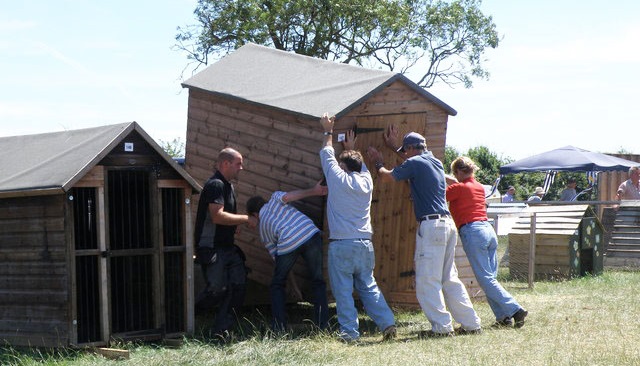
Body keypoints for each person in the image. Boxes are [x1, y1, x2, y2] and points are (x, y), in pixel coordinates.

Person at [366, 125, 481, 337]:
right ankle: (471, 324)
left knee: (428, 280)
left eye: (405, 150)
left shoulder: (415, 162)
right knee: (449, 278)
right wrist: (394, 147)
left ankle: (441, 328)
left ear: (410, 148)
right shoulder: (433, 161)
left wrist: (377, 161)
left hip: (431, 227)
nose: (405, 154)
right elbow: (411, 161)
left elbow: (387, 176)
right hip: (447, 224)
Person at [319, 113, 397, 342]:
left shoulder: (337, 178)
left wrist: (328, 130)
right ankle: (387, 323)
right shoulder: (366, 181)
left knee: (343, 291)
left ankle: (350, 334)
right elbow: (359, 165)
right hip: (364, 244)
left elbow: (326, 152)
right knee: (368, 286)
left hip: (342, 244)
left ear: (342, 166)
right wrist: (352, 148)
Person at [445, 156, 528, 328]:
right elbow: (459, 184)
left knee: (485, 280)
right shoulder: (478, 187)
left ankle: (515, 309)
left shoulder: (458, 188)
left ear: (459, 172)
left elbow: (441, 194)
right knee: (490, 278)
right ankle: (503, 317)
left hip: (473, 232)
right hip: (488, 230)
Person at [246, 182, 329, 332]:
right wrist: (314, 191)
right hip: (310, 231)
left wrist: (294, 286)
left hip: (287, 241)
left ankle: (279, 327)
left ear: (254, 215)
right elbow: (292, 196)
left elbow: (281, 262)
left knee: (277, 284)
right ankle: (322, 325)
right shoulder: (274, 198)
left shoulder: (263, 231)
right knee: (318, 281)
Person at [194, 147, 258, 335]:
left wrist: (234, 226)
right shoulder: (215, 185)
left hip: (228, 248)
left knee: (238, 286)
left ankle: (222, 331)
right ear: (225, 163)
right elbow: (217, 216)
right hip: (211, 248)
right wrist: (245, 219)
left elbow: (226, 217)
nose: (241, 168)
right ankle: (188, 316)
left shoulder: (229, 186)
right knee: (217, 289)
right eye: (238, 164)